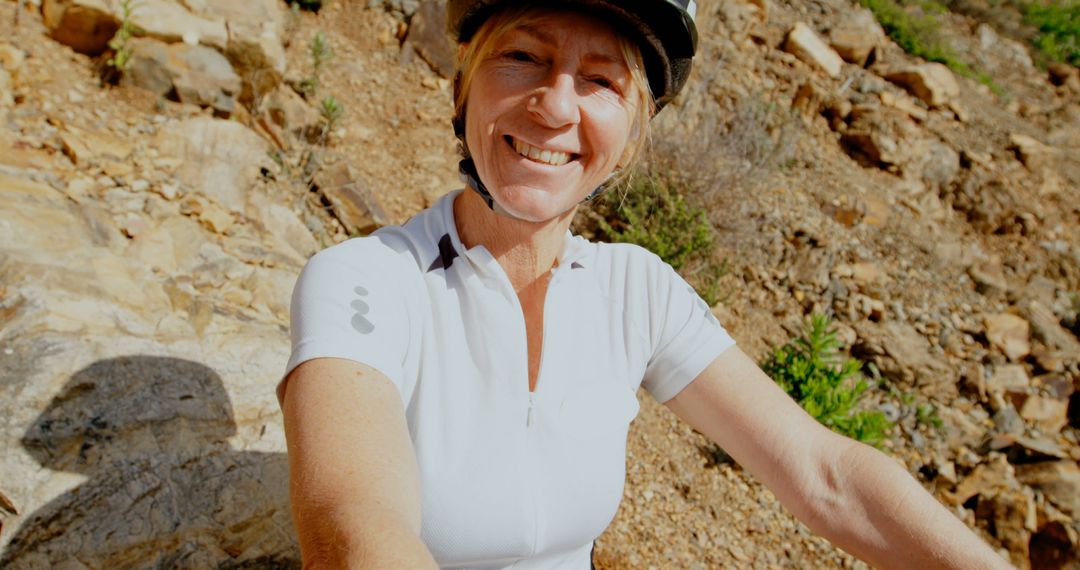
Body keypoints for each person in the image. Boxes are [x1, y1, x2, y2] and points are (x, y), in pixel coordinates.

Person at [278, 1, 1013, 568]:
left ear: (633, 132)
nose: (556, 106)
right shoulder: (367, 281)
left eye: (600, 79)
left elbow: (823, 472)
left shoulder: (635, 290)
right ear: (465, 83)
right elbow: (354, 524)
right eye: (523, 57)